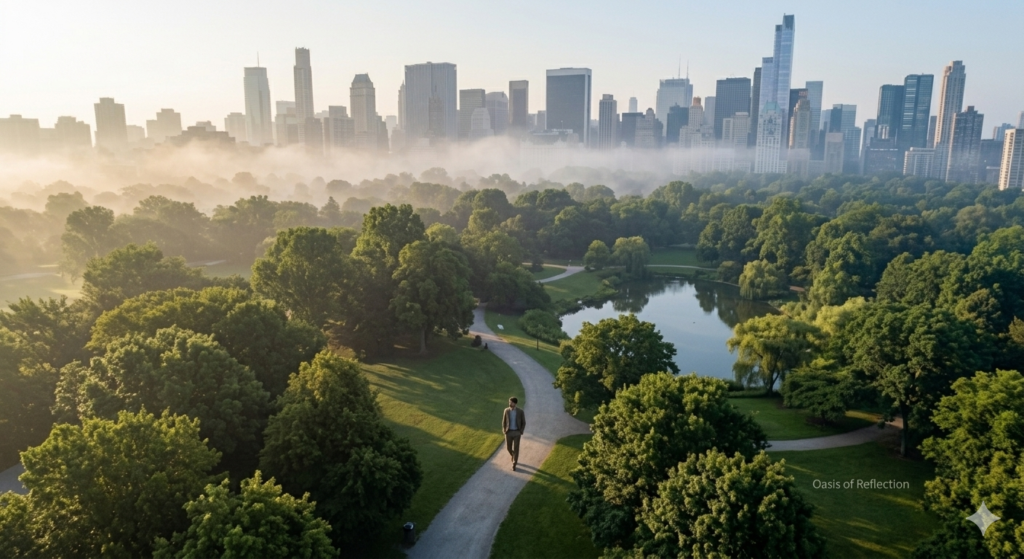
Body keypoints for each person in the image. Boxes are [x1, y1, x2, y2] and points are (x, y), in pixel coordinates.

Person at [502, 397, 525, 471]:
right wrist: (504, 429)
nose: (509, 403)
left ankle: (514, 463)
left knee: (516, 448)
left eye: (511, 402)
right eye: (509, 402)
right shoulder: (506, 410)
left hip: (517, 432)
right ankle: (513, 456)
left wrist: (521, 431)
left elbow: (523, 422)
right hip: (508, 432)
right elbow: (504, 422)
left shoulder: (520, 411)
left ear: (515, 403)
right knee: (508, 448)